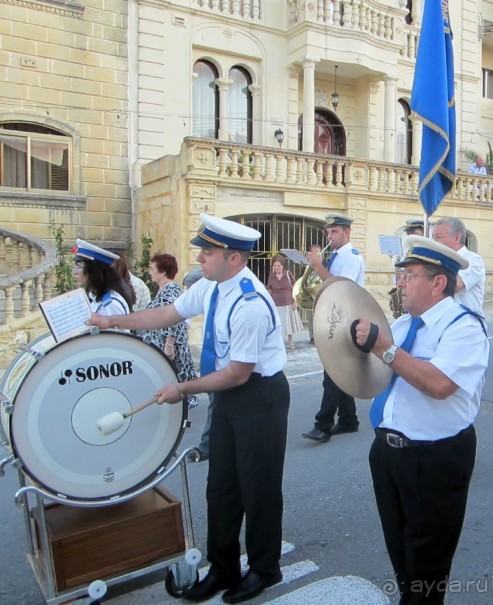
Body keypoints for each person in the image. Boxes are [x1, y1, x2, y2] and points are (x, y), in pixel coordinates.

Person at [88, 213, 290, 604]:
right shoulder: (211, 287)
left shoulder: (250, 303)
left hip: (259, 396)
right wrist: (112, 321)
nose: (199, 257)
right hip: (230, 395)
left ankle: (265, 568)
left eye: (207, 252)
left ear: (234, 258)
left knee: (259, 489)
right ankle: (223, 567)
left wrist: (182, 388)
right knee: (221, 487)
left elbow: (237, 373)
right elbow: (166, 314)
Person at [355, 235, 489, 605]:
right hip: (388, 454)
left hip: (434, 460)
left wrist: (385, 349)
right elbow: (371, 373)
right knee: (400, 553)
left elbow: (440, 384)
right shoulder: (401, 325)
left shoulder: (464, 328)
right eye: (401, 274)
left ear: (438, 283)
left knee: (427, 564)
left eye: (409, 275)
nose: (400, 282)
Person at [302, 213, 365, 443]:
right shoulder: (336, 255)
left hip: (347, 319)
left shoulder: (351, 257)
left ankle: (323, 425)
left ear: (347, 232)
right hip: (337, 317)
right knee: (340, 369)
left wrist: (318, 267)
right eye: (328, 232)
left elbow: (342, 288)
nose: (330, 236)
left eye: (335, 232)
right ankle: (349, 419)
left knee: (333, 371)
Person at [144, 252, 199, 409]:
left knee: (175, 382)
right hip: (162, 344)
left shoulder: (171, 290)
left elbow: (174, 317)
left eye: (152, 268)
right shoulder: (164, 290)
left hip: (170, 346)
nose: (149, 271)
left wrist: (169, 344)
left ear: (162, 272)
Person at [431, 217, 486, 316]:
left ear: (457, 238)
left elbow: (454, 285)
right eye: (433, 237)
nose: (434, 241)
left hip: (466, 324)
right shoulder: (437, 260)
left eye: (439, 236)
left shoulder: (473, 260)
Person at [73, 239, 131, 315]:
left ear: (93, 271)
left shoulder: (111, 305)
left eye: (79, 267)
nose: (74, 272)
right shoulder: (93, 297)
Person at [267, 254, 303, 350]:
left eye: (278, 266)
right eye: (275, 266)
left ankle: (291, 341)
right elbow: (269, 289)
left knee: (288, 324)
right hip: (276, 303)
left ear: (282, 266)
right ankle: (278, 342)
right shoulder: (272, 276)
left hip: (287, 302)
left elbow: (295, 288)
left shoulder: (288, 274)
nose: (276, 268)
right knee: (278, 324)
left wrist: (295, 301)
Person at [306, 243, 322, 345]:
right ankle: (312, 336)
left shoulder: (324, 264)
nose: (316, 255)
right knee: (310, 317)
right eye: (314, 253)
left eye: (318, 253)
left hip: (320, 294)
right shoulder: (308, 266)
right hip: (310, 295)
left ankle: (320, 336)